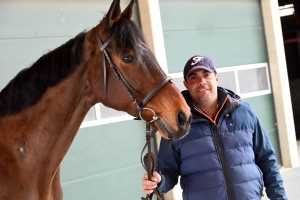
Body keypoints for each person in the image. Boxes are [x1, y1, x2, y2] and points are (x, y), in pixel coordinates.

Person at [142, 55, 287, 200]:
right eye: (194, 77)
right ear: (186, 84)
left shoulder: (244, 111)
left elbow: (267, 160)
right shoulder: (178, 123)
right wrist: (158, 181)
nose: (201, 82)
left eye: (206, 75)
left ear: (216, 78)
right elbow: (168, 170)